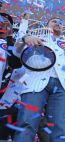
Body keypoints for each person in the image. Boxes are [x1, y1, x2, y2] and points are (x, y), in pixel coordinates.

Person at [12, 16, 65, 142]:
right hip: (34, 83)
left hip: (63, 87)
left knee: (61, 130)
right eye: (54, 21)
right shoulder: (35, 38)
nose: (58, 23)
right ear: (46, 25)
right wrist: (25, 38)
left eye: (60, 22)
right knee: (26, 124)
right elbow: (16, 52)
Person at [0, 11, 29, 140]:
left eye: (6, 24)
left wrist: (24, 23)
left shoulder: (11, 45)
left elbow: (16, 62)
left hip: (7, 99)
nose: (3, 26)